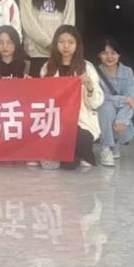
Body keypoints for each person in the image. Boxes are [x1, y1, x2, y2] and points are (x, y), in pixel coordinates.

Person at [40, 25, 102, 170]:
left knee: (80, 139)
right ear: (55, 44)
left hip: (81, 121)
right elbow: (43, 99)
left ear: (77, 45)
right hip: (56, 120)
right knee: (69, 162)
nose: (66, 46)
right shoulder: (48, 68)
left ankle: (78, 153)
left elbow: (96, 103)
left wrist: (90, 88)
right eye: (61, 42)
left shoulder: (87, 67)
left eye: (71, 42)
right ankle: (77, 154)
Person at [19, 0, 75, 76]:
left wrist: (61, 43)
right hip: (36, 53)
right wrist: (49, 44)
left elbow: (69, 20)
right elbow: (28, 22)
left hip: (61, 52)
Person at [95, 38, 134, 167]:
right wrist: (123, 99)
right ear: (99, 55)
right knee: (105, 106)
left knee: (126, 133)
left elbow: (132, 100)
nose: (109, 57)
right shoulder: (94, 72)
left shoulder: (128, 72)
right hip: (101, 116)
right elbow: (99, 98)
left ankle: (114, 142)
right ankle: (106, 148)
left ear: (119, 54)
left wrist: (122, 119)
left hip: (122, 117)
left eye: (113, 53)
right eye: (104, 53)